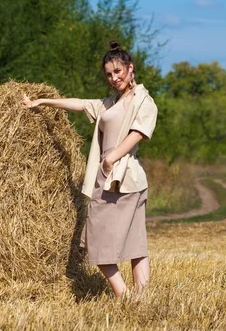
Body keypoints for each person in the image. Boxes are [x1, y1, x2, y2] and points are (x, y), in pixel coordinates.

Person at [22, 40, 158, 298]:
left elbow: (139, 133)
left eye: (118, 71)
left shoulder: (144, 100)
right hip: (107, 178)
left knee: (126, 241)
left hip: (125, 177)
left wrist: (111, 159)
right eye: (109, 74)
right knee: (108, 240)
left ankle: (134, 298)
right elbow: (80, 103)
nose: (114, 77)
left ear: (130, 68)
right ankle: (132, 297)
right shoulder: (109, 103)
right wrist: (41, 101)